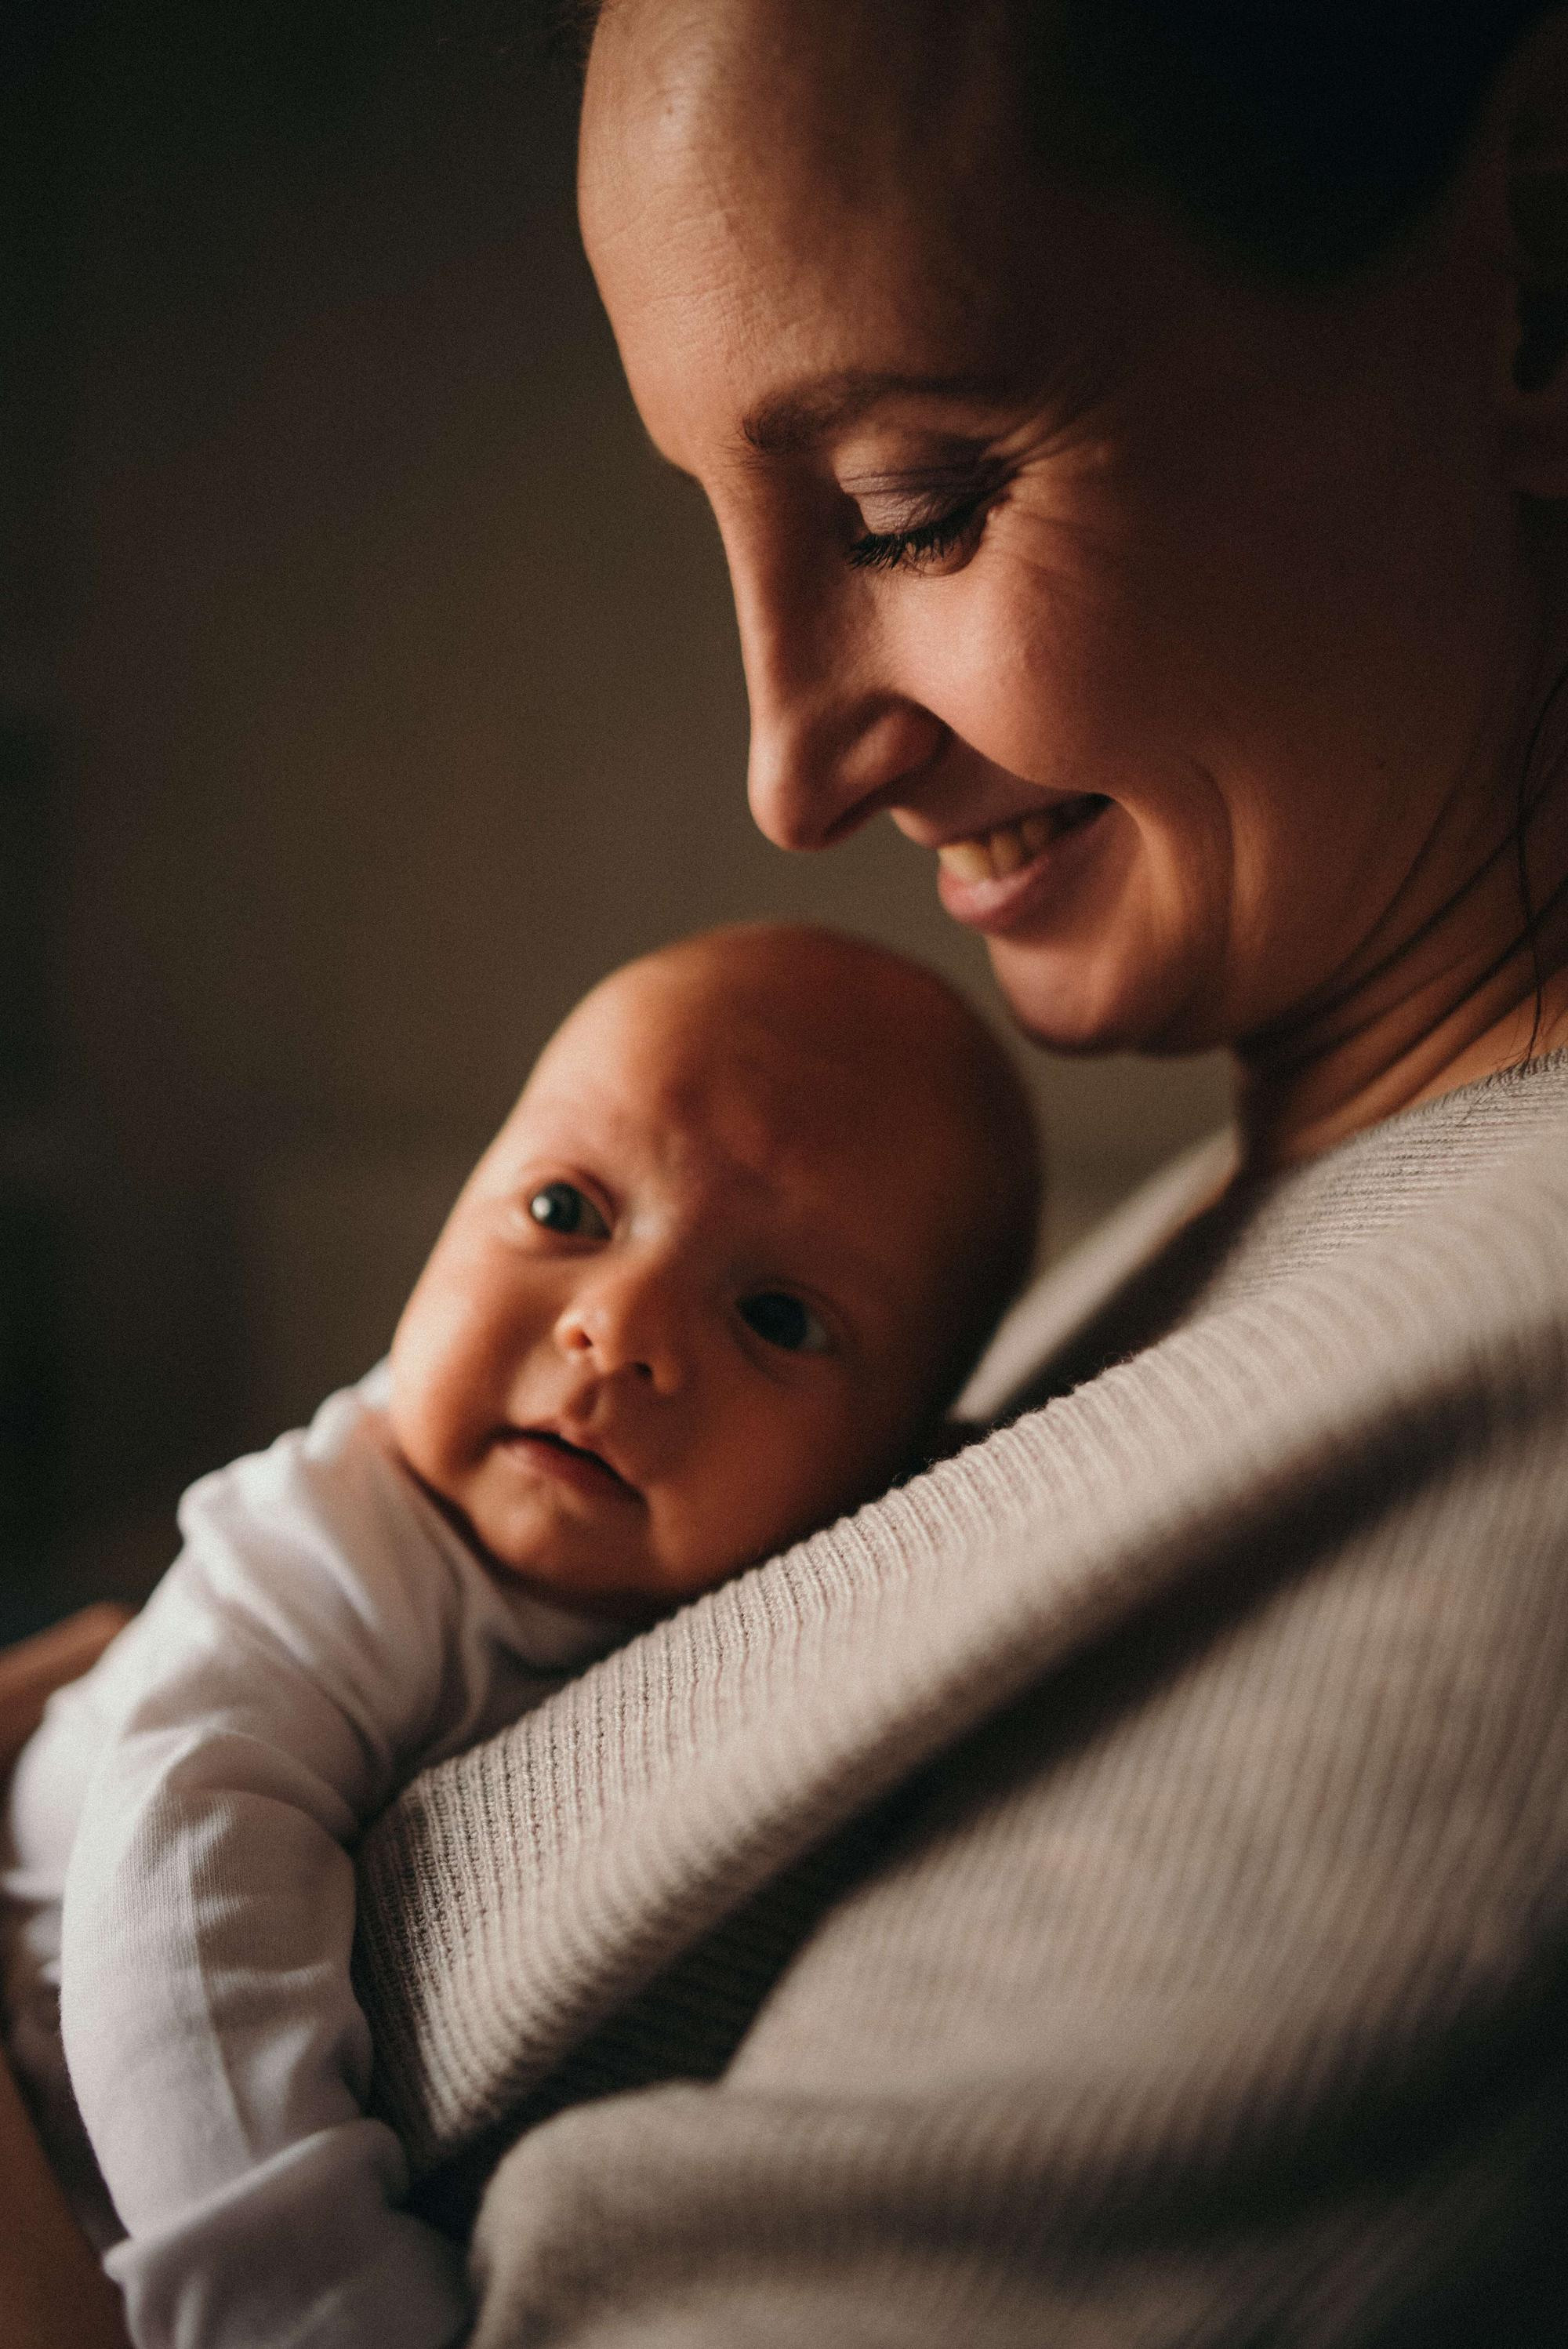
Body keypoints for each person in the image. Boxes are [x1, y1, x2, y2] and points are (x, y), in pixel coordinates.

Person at [9, 0, 1568, 2340]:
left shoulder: (1493, 1426)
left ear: (1543, 265)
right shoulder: (1202, 1243)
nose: (790, 766)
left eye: (909, 505)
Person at [1, 922, 1038, 2349]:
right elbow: (175, 1888)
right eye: (567, 1212)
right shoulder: (338, 1544)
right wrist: (299, 2292)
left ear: (898, 1466)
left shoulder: (795, 1611)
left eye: (778, 1315)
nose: (617, 1328)